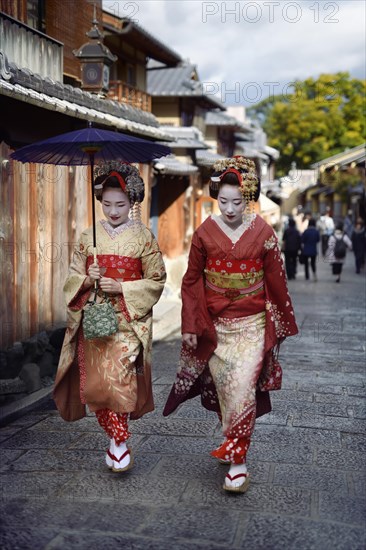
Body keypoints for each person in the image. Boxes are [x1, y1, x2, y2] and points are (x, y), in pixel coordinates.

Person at [163, 156, 298, 493]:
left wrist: (279, 322)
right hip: (215, 324)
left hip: (251, 323)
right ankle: (233, 437)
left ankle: (238, 462)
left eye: (237, 201)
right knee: (227, 390)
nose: (229, 208)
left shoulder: (264, 233)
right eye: (223, 200)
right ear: (214, 196)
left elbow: (276, 280)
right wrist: (191, 324)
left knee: (241, 389)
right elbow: (192, 280)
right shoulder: (204, 233)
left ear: (248, 198)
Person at [53, 163, 166, 472]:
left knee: (121, 378)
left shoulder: (144, 237)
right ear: (99, 202)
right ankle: (117, 438)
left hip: (128, 319)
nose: (113, 210)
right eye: (107, 204)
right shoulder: (88, 236)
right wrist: (88, 279)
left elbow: (157, 278)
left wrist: (123, 286)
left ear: (132, 203)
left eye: (121, 204)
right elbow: (72, 279)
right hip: (97, 316)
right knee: (98, 386)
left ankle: (119, 442)